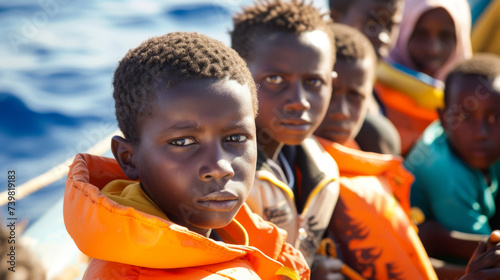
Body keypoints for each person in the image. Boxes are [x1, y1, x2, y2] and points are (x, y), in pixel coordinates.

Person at [63, 32, 310, 280]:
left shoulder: (238, 235)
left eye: (235, 138)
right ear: (129, 159)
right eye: (183, 142)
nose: (221, 166)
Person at [314, 23, 438, 280]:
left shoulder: (372, 152)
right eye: (330, 92)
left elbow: (404, 253)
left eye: (356, 96)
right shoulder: (300, 166)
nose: (342, 111)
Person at [231, 0, 340, 269]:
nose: (298, 101)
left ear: (331, 84)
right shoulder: (222, 177)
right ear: (237, 78)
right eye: (275, 79)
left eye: (313, 82)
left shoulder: (321, 165)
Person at [405, 54, 500, 268]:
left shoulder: (474, 146)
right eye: (466, 117)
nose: (481, 133)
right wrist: (443, 242)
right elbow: (490, 253)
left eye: (496, 118)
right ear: (443, 119)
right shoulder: (446, 174)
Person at [382, 0, 473, 155]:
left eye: (445, 36)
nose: (433, 49)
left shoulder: (475, 103)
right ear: (401, 29)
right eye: (421, 34)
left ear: (461, 39)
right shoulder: (372, 86)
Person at [329, 0, 403, 155]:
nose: (384, 37)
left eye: (390, 26)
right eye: (371, 24)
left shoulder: (381, 94)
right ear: (333, 17)